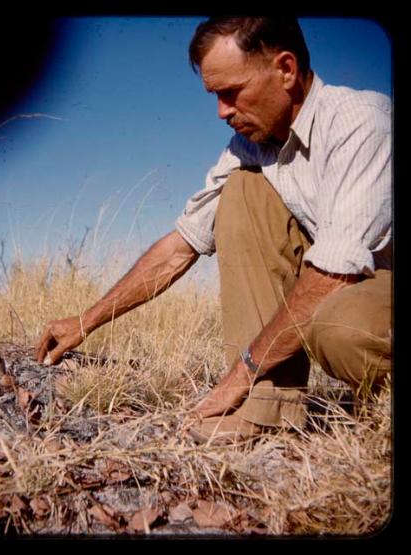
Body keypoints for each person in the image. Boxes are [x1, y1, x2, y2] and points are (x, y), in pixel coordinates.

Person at [36, 17, 391, 443]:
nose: (222, 112)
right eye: (215, 96)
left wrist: (240, 371)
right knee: (243, 189)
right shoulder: (249, 146)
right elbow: (181, 246)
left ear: (286, 69)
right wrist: (86, 321)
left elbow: (334, 275)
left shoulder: (361, 122)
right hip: (345, 280)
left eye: (231, 93)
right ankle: (265, 411)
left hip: (375, 283)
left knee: (341, 329)